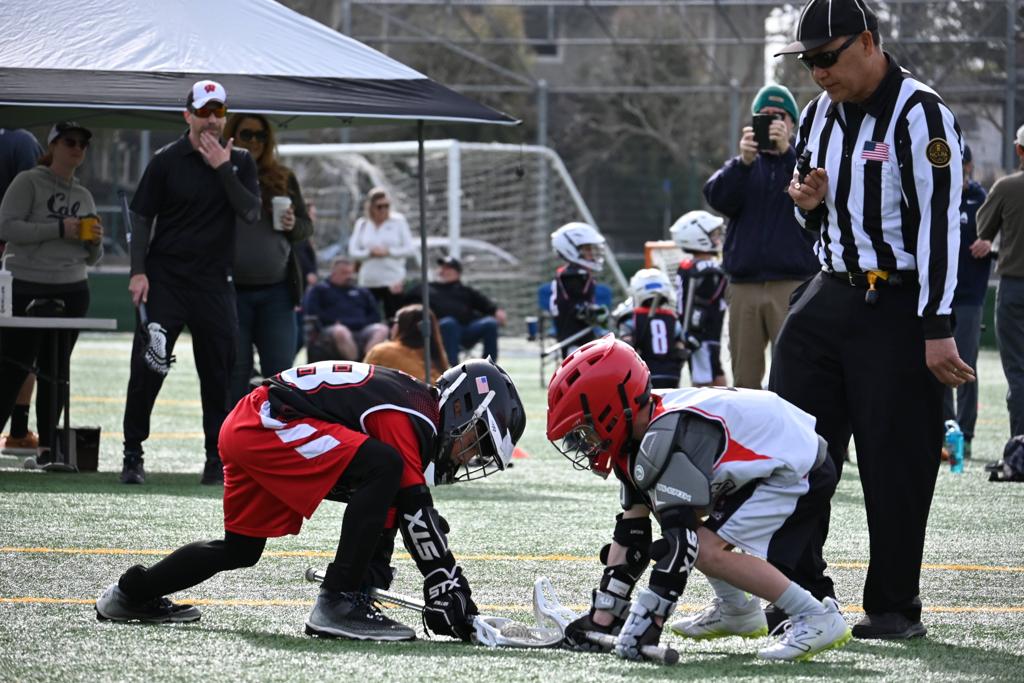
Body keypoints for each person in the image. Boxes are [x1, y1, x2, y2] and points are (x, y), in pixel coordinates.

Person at [773, 0, 971, 639]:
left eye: (826, 58)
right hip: (828, 292)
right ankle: (799, 596)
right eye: (808, 63)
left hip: (898, 305)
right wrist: (807, 205)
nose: (817, 73)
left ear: (866, 42)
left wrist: (936, 327)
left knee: (896, 463)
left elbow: (941, 226)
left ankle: (891, 607)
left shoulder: (921, 114)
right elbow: (811, 213)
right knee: (792, 453)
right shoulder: (816, 114)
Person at [95, 359, 526, 643]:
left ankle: (131, 594)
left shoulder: (414, 404)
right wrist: (447, 583)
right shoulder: (414, 415)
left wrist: (373, 574)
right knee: (385, 467)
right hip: (267, 422)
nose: (470, 457)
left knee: (241, 549)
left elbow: (394, 506)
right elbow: (414, 506)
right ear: (464, 407)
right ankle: (336, 602)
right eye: (477, 442)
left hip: (255, 422)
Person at [545, 337, 850, 662]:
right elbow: (632, 538)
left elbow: (681, 545)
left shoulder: (666, 436)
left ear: (610, 407)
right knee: (675, 516)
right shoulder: (637, 432)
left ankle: (815, 616)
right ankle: (737, 610)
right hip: (773, 456)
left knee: (705, 550)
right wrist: (603, 616)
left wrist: (650, 620)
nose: (583, 442)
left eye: (585, 428)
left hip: (797, 463)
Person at [120, 80, 260, 486]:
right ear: (188, 116)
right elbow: (141, 217)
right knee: (149, 367)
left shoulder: (241, 161)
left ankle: (216, 459)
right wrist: (138, 271)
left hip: (215, 284)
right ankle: (133, 454)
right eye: (204, 112)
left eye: (219, 112)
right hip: (166, 281)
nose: (212, 120)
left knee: (219, 374)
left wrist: (223, 168)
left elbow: (251, 212)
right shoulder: (166, 160)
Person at [0, 122, 104, 464]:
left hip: (72, 286)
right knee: (13, 365)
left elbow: (94, 258)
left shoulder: (84, 195)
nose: (77, 149)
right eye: (70, 142)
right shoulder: (28, 181)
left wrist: (94, 241)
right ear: (53, 146)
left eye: (82, 144)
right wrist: (60, 228)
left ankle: (49, 448)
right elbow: (6, 227)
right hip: (24, 283)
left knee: (57, 369)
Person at [703, 83, 819, 389]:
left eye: (779, 116)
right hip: (744, 286)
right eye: (764, 116)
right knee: (744, 379)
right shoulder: (743, 166)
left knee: (793, 375)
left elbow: (815, 196)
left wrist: (787, 155)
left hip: (791, 285)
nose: (772, 122)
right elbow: (716, 197)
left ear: (792, 124)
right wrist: (743, 162)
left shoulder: (802, 163)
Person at [223, 113, 314, 402]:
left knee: (281, 375)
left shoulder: (284, 177)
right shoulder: (220, 174)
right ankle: (234, 430)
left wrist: (292, 224)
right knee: (234, 374)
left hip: (277, 293)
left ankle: (277, 430)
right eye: (247, 134)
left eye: (261, 135)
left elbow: (306, 228)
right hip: (230, 292)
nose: (254, 141)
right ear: (231, 136)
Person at [974, 124, 1024, 439]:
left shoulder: (1007, 187)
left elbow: (983, 228)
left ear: (1019, 150)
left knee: (1018, 373)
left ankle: (1020, 447)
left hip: (1015, 287)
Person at [942, 145, 991, 456]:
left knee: (966, 363)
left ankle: (967, 433)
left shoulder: (980, 198)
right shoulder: (937, 193)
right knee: (939, 363)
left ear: (969, 167)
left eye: (960, 165)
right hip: (940, 295)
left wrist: (990, 242)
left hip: (970, 295)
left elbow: (1002, 233)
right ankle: (946, 429)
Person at [0, 128, 44, 455]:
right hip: (14, 264)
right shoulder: (22, 143)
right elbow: (35, 204)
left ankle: (18, 430)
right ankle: (17, 431)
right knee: (22, 347)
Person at [407, 256, 506, 364]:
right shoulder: (425, 289)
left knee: (490, 323)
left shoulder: (465, 291)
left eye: (448, 268)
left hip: (465, 331)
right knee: (450, 323)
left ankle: (488, 365)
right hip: (438, 331)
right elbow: (406, 304)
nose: (443, 271)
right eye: (442, 268)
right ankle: (452, 366)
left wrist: (496, 311)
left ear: (457, 273)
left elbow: (487, 306)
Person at [670, 211, 729, 387]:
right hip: (703, 332)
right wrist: (694, 332)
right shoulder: (707, 268)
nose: (718, 238)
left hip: (694, 331)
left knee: (710, 371)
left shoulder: (687, 265)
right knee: (708, 377)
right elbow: (700, 304)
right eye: (713, 234)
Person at [347, 187, 417, 320]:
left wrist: (388, 252)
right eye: (379, 206)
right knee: (368, 319)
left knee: (394, 319)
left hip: (393, 281)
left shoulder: (398, 221)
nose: (383, 210)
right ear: (371, 207)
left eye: (386, 206)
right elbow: (353, 251)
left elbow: (409, 249)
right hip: (369, 281)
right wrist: (370, 253)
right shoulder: (362, 224)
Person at [303, 257, 389, 361]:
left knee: (382, 329)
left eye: (350, 273)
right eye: (344, 273)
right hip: (332, 329)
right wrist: (332, 321)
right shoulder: (319, 290)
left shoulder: (361, 291)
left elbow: (375, 314)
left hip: (361, 329)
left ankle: (367, 363)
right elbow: (312, 312)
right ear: (334, 272)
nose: (349, 276)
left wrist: (362, 322)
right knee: (341, 331)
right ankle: (354, 364)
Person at [617, 268, 685, 389]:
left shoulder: (632, 318)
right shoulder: (672, 318)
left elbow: (626, 345)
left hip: (645, 375)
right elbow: (680, 347)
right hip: (671, 375)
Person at [549, 222, 608, 359]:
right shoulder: (574, 275)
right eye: (587, 249)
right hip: (573, 336)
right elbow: (579, 309)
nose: (591, 253)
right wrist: (595, 313)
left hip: (578, 334)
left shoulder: (576, 273)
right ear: (571, 249)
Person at [363, 303, 449, 383]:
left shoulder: (382, 351)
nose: (392, 326)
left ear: (403, 325)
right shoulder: (438, 357)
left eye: (395, 321)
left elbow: (362, 380)